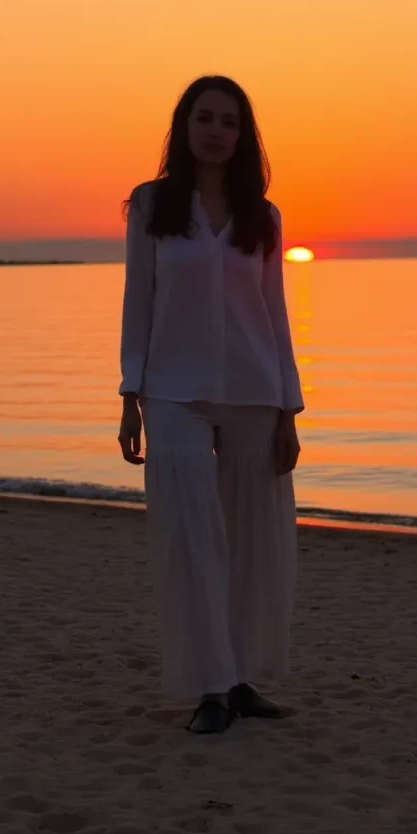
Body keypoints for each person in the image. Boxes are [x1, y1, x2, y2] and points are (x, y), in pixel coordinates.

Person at [117, 74, 304, 734]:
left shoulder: (265, 216)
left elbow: (276, 314)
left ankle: (241, 676)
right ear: (184, 127)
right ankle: (209, 687)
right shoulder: (150, 206)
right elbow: (138, 303)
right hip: (171, 394)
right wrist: (129, 396)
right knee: (193, 538)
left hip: (255, 393)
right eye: (205, 118)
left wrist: (290, 408)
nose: (217, 130)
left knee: (254, 542)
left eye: (229, 120)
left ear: (242, 134)